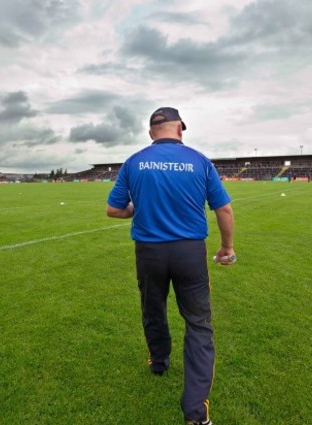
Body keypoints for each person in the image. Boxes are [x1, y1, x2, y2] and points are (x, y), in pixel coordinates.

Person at [106, 107, 235, 425]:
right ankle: (195, 413)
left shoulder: (134, 162)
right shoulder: (199, 161)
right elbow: (224, 209)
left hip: (149, 252)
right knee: (198, 324)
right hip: (189, 252)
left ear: (152, 133)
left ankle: (159, 361)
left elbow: (114, 210)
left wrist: (137, 209)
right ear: (180, 129)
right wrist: (227, 247)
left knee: (153, 308)